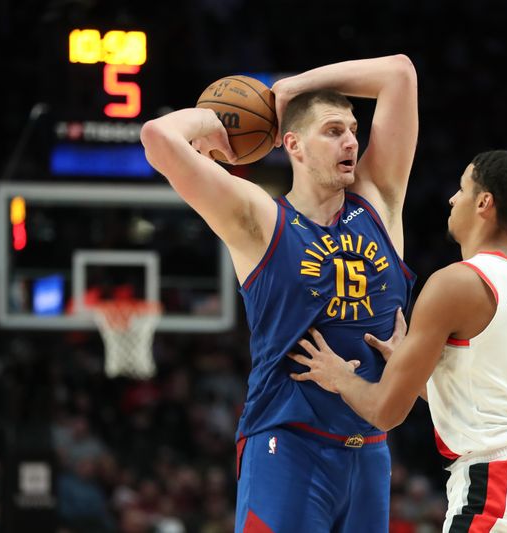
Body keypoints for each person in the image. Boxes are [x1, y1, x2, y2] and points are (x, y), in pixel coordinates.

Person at [141, 55, 419, 532]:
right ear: (293, 144)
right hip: (289, 446)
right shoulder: (259, 219)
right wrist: (215, 121)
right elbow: (158, 138)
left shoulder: (379, 199)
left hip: (370, 453)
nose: (352, 140)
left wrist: (292, 87)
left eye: (354, 128)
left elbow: (399, 74)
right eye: (333, 131)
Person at [289, 151, 507, 532]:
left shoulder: (456, 282)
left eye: (462, 189)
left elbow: (386, 412)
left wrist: (340, 377)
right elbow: (486, 393)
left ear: (484, 202)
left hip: (498, 484)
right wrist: (412, 366)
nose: (452, 199)